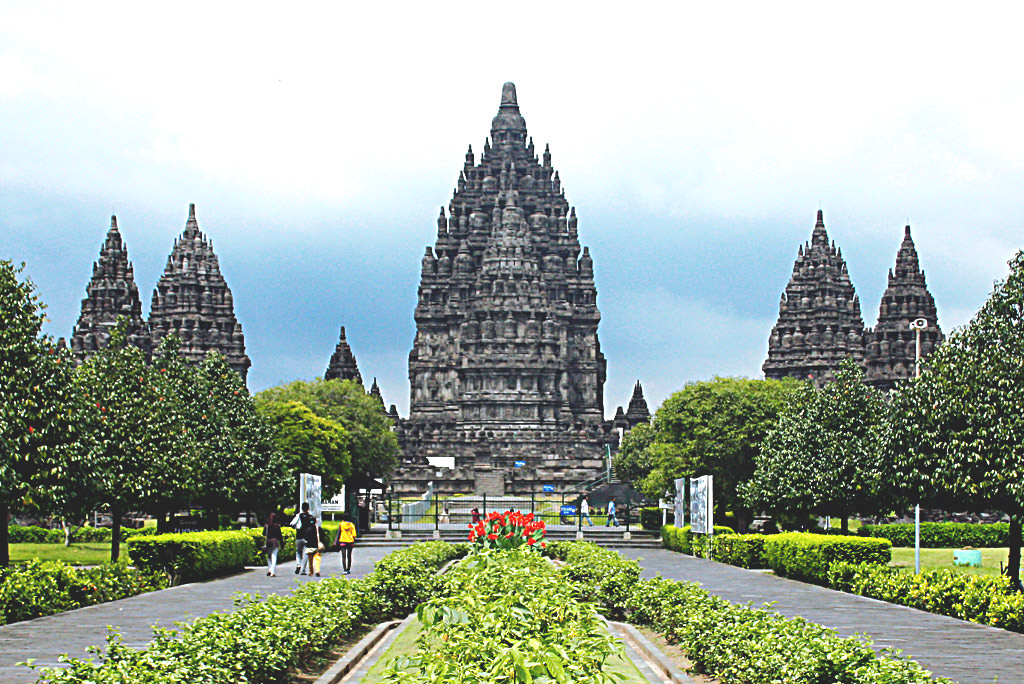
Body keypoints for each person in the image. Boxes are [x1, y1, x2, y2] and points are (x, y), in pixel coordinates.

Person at [290, 502, 316, 574]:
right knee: (306, 553)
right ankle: (303, 569)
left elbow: (292, 523)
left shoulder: (299, 516)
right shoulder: (311, 517)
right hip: (308, 537)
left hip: (299, 536)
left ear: (301, 508)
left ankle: (298, 564)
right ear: (308, 508)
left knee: (298, 552)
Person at [263, 512, 284, 576]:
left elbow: (263, 533)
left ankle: (270, 568)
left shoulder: (267, 525)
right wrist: (282, 545)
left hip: (268, 542)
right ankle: (273, 572)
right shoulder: (277, 526)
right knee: (274, 557)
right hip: (275, 543)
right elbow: (280, 536)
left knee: (269, 557)